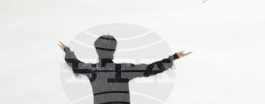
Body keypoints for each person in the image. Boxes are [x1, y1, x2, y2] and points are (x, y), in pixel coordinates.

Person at [60, 36, 190, 104]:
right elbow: (151, 69)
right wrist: (174, 57)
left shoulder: (92, 70)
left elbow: (74, 63)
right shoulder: (123, 70)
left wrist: (67, 51)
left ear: (97, 51)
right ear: (113, 51)